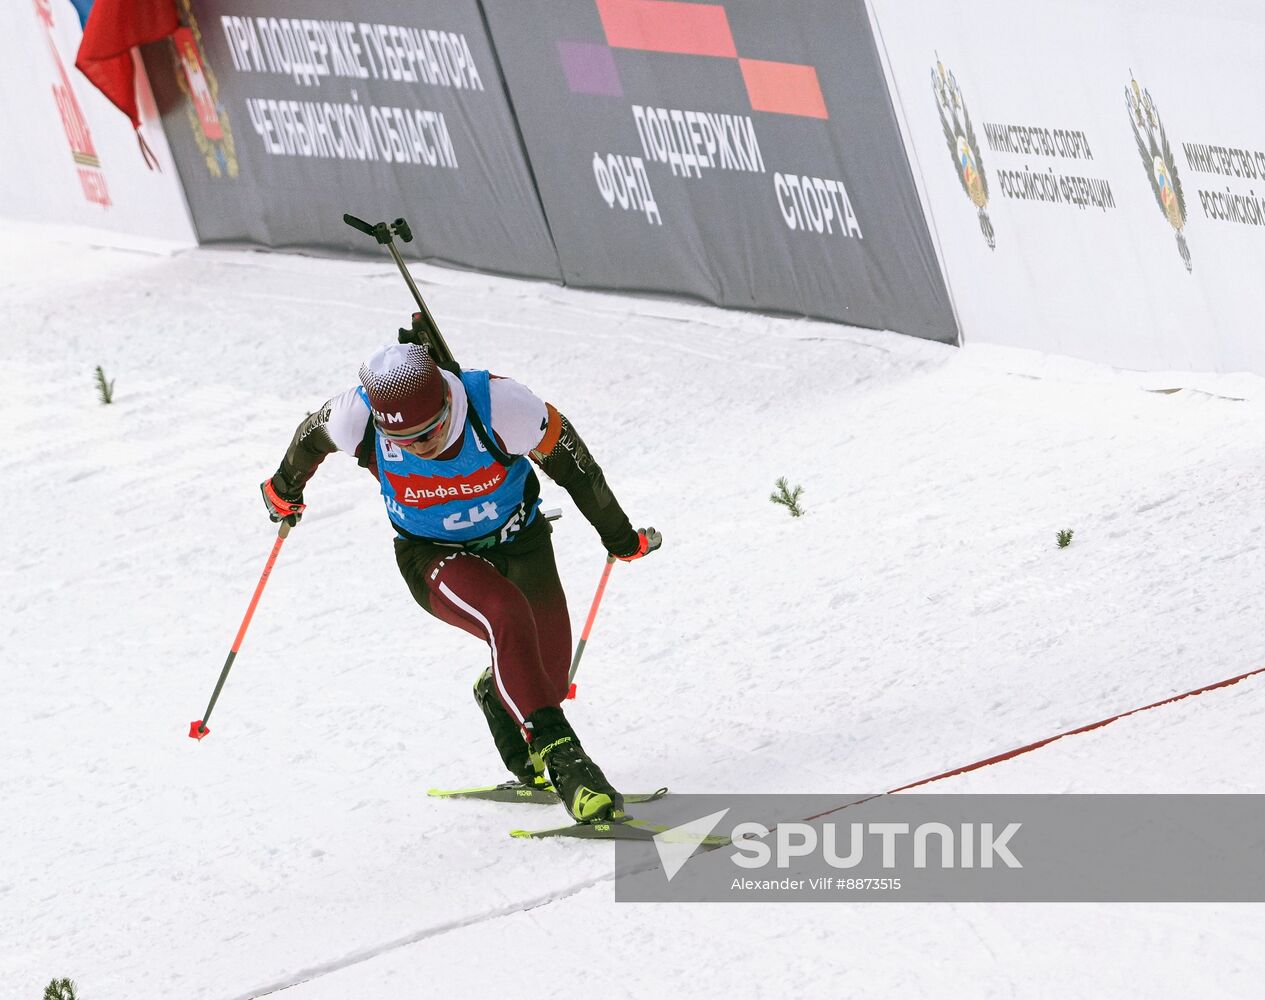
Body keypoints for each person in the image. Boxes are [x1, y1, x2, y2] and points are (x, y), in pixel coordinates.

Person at [259, 341, 661, 824]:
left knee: (544, 678)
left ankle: (500, 693)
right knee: (504, 613)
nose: (420, 448)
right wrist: (283, 490)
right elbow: (309, 436)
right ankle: (568, 763)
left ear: (449, 401)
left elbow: (577, 469)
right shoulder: (354, 416)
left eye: (428, 432)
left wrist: (620, 537)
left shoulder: (504, 407)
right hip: (429, 553)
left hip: (519, 538)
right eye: (403, 441)